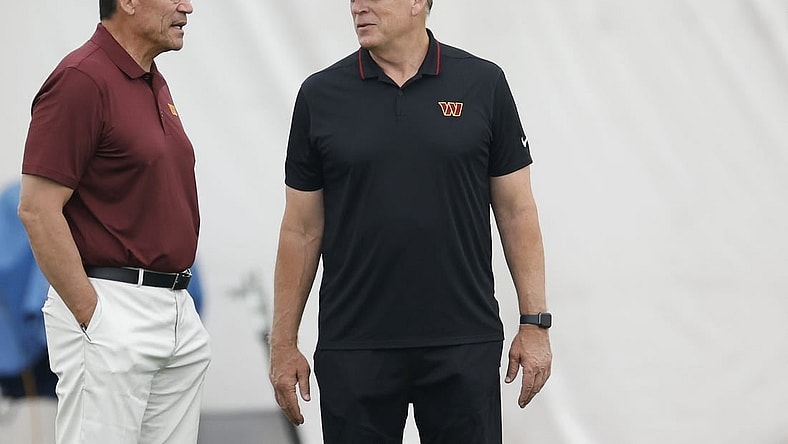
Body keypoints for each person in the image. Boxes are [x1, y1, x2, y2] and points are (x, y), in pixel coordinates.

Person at [268, 0, 553, 442]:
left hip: (462, 341)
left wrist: (534, 324)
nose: (357, 7)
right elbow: (301, 228)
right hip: (354, 347)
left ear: (419, 2)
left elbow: (517, 211)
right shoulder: (320, 95)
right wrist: (283, 344)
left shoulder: (483, 83)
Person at [17, 0, 210, 442]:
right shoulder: (81, 79)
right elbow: (36, 209)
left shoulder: (151, 81)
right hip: (111, 303)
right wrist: (95, 318)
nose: (188, 7)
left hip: (174, 309)